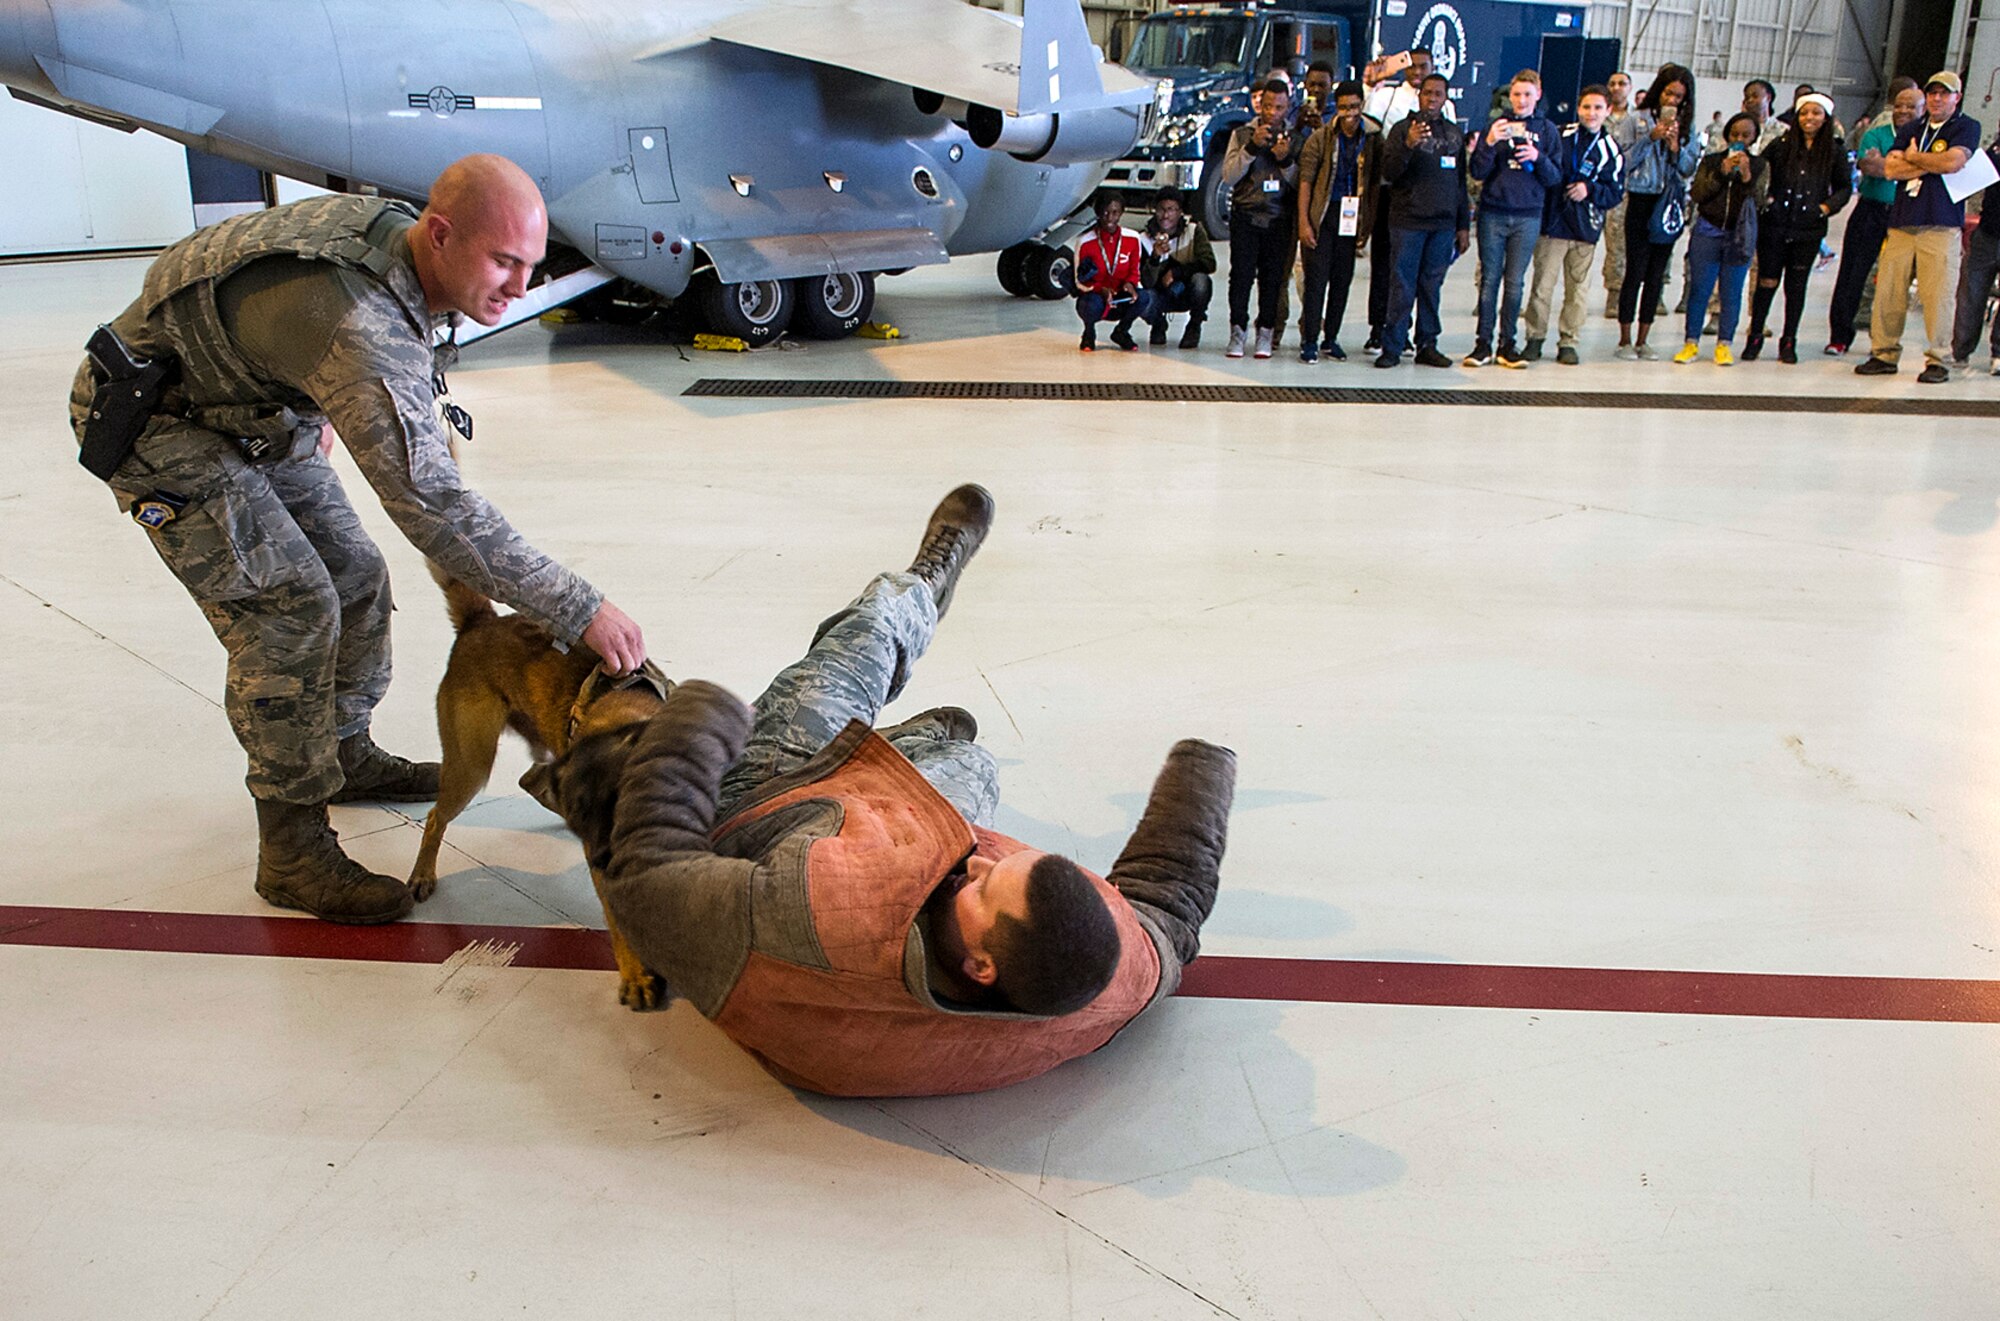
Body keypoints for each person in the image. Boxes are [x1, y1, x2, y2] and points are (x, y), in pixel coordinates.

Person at [64, 154, 646, 925]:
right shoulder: (359, 327)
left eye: (531, 266)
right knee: (292, 607)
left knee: (356, 575)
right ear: (439, 234)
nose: (518, 287)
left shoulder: (399, 258)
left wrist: (309, 378)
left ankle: (341, 750)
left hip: (254, 408)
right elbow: (433, 505)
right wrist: (581, 608)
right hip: (160, 422)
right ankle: (293, 850)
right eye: (504, 261)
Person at [554, 486, 1236, 1098]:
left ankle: (908, 708)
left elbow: (646, 885)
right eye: (1003, 859)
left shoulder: (799, 921)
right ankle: (928, 607)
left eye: (985, 886)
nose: (980, 859)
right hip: (866, 832)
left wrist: (697, 722)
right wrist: (1208, 760)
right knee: (971, 766)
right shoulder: (1100, 979)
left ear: (982, 964)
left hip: (762, 806)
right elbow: (1169, 901)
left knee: (858, 650)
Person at [1858, 72, 1981, 383]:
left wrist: (1913, 157)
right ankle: (1883, 352)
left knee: (1938, 296)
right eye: (1933, 93)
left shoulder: (1965, 127)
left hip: (1941, 223)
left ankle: (1939, 359)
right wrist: (1921, 162)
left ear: (1957, 97)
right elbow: (1892, 168)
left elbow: (1953, 162)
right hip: (1902, 221)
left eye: (1944, 94)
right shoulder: (1913, 127)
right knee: (1889, 292)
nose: (1937, 99)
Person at [1741, 93, 1850, 362]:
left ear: (1825, 117)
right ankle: (1755, 335)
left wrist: (1824, 208)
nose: (1809, 118)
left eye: (1816, 113)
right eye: (1804, 113)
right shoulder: (1780, 145)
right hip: (1775, 227)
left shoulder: (1835, 151)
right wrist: (1768, 200)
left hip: (1808, 229)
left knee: (1796, 286)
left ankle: (1789, 340)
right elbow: (1760, 173)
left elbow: (1845, 187)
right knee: (1767, 282)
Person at [1360, 47, 1456, 353]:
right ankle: (1381, 330)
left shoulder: (1448, 110)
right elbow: (1364, 124)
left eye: (1423, 67)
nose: (1417, 72)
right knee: (1387, 266)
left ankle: (1418, 337)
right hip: (1394, 191)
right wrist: (1370, 84)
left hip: (1433, 196)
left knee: (1426, 276)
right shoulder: (1388, 97)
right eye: (1412, 67)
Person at [1467, 69, 1564, 367]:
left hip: (1527, 216)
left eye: (1527, 95)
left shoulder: (1548, 131)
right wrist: (1488, 142)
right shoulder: (1496, 126)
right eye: (1517, 94)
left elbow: (1555, 177)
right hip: (1494, 213)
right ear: (1509, 96)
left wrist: (1538, 158)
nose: (1521, 101)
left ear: (1538, 95)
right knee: (1489, 279)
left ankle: (1508, 343)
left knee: (1515, 283)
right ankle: (1483, 343)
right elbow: (1478, 171)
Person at [1524, 84, 1625, 365]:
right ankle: (1535, 338)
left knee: (1577, 290)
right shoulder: (1560, 135)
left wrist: (1589, 189)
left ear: (1608, 111)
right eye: (1586, 107)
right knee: (1542, 286)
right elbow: (1544, 168)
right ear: (1578, 108)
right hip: (1554, 225)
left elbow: (1615, 191)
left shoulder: (1611, 150)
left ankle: (1569, 341)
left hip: (1584, 230)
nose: (1591, 113)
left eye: (1597, 108)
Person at [1376, 73, 1471, 369]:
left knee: (1432, 286)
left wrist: (1463, 225)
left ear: (1445, 98)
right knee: (1401, 285)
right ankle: (1392, 345)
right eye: (1427, 93)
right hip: (1407, 222)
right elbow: (1389, 173)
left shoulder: (1454, 135)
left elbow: (1460, 184)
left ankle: (1427, 344)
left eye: (1438, 94)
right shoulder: (1401, 130)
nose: (1432, 99)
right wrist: (1408, 145)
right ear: (1419, 95)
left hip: (1442, 225)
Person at [1828, 78, 1922, 354]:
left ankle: (1882, 341)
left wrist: (1893, 165)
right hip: (1871, 209)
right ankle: (1839, 337)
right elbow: (1870, 166)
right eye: (1899, 105)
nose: (1903, 111)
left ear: (1923, 109)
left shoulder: (1925, 138)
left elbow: (1930, 168)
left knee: (1893, 281)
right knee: (1852, 274)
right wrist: (1912, 165)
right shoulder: (1876, 133)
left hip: (1905, 215)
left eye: (1911, 107)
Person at [1615, 64, 1701, 360]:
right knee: (1635, 270)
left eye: (1679, 96)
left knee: (1656, 273)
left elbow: (1689, 169)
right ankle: (1624, 338)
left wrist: (1676, 146)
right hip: (1641, 198)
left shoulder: (1689, 128)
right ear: (1658, 91)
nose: (1673, 101)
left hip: (1670, 203)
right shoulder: (1635, 120)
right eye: (1668, 93)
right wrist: (1649, 139)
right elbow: (1622, 162)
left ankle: (1643, 338)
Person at [1295, 80, 1381, 362]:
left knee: (1342, 280)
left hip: (1352, 216)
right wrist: (1304, 223)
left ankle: (1331, 338)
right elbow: (1305, 181)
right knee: (1316, 280)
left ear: (1362, 106)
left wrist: (1366, 224)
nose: (1349, 113)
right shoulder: (1320, 138)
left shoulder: (1372, 137)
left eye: (1354, 107)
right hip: (1323, 214)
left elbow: (1376, 181)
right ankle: (1309, 339)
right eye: (1344, 107)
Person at [1675, 113, 1767, 366]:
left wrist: (1746, 176)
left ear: (1753, 139)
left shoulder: (1760, 165)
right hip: (1708, 231)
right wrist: (1721, 174)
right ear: (1727, 135)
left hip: (1739, 235)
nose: (1739, 140)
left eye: (1745, 135)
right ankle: (1691, 341)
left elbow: (1760, 200)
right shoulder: (1711, 161)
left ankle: (1724, 343)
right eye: (1735, 134)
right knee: (1700, 289)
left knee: (1731, 291)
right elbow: (1698, 193)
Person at [1221, 79, 1300, 358]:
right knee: (1240, 277)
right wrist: (1251, 149)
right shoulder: (1242, 133)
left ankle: (1266, 331)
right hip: (1246, 215)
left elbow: (1303, 184)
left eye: (1279, 107)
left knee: (1273, 279)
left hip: (1279, 218)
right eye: (1267, 106)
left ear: (1287, 107)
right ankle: (1237, 332)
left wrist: (1286, 160)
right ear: (1259, 105)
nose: (1272, 113)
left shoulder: (1296, 136)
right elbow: (1229, 176)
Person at [1072, 193, 1159, 352]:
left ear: (1121, 213)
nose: (1110, 217)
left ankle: (1121, 332)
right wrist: (1100, 289)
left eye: (1115, 212)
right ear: (1098, 213)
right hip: (1097, 297)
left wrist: (1130, 284)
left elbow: (1134, 271)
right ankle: (1089, 333)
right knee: (1088, 305)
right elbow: (1079, 281)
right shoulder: (1085, 242)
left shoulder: (1132, 238)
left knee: (1143, 297)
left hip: (1120, 297)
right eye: (1105, 212)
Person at [1950, 128, 2000, 373]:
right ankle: (1960, 350)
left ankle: (1998, 353)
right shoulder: (1994, 151)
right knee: (1971, 293)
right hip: (1988, 233)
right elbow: (1968, 181)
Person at [1140, 188, 1216, 349]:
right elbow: (1145, 281)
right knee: (1143, 298)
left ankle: (1194, 326)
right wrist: (1154, 258)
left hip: (1187, 290)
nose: (1165, 215)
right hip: (1159, 294)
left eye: (1171, 210)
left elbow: (1209, 263)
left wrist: (1177, 272)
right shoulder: (1143, 239)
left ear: (1180, 212)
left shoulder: (1193, 231)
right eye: (1161, 209)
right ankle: (1158, 324)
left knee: (1202, 281)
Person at [1601, 70, 1641, 316]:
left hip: (1622, 189)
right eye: (1613, 83)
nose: (1617, 87)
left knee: (1618, 244)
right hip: (1595, 187)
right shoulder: (1597, 115)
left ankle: (1614, 294)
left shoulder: (1636, 121)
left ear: (1630, 87)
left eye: (1622, 84)